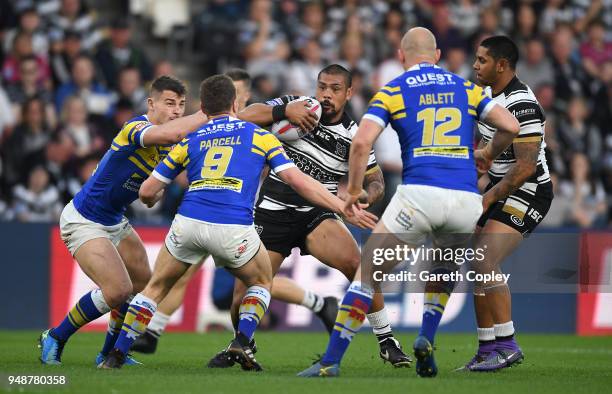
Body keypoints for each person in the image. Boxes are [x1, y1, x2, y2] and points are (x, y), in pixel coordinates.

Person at [99, 74, 375, 370]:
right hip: (233, 227)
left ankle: (116, 354)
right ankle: (243, 340)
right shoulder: (260, 136)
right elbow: (299, 182)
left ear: (203, 106)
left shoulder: (192, 137)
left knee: (155, 288)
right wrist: (340, 205)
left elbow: (147, 192)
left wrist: (153, 199)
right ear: (234, 103)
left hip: (189, 222)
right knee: (260, 282)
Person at [298, 27, 520, 378]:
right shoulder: (467, 88)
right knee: (443, 271)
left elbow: (361, 144)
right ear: (436, 56)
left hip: (419, 195)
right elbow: (510, 125)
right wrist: (488, 153)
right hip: (465, 201)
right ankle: (426, 338)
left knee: (367, 275)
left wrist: (354, 190)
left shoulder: (394, 90)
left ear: (401, 57)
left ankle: (331, 361)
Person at [208, 64, 413, 369]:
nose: (326, 95)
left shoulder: (354, 135)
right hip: (273, 210)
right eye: (322, 87)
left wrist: (365, 196)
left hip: (317, 212)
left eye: (335, 89)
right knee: (243, 292)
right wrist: (283, 112)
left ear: (349, 93)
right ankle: (243, 344)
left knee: (358, 264)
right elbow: (241, 117)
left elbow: (376, 181)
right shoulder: (295, 105)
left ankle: (387, 340)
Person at [38, 76, 208, 365]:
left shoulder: (170, 145)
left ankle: (109, 353)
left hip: (115, 220)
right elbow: (167, 135)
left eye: (181, 105)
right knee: (117, 290)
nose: (177, 111)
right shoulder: (135, 128)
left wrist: (154, 192)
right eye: (170, 103)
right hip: (84, 219)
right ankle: (55, 335)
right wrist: (206, 112)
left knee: (143, 283)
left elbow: (149, 196)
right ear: (151, 103)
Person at [460, 35, 553, 372]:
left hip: (529, 189)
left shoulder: (522, 103)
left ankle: (508, 345)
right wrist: (484, 158)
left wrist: (486, 199)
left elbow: (526, 166)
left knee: (485, 258)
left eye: (482, 60)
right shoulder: (486, 97)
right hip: (501, 186)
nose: (475, 65)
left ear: (501, 65)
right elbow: (490, 151)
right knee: (476, 262)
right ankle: (487, 350)